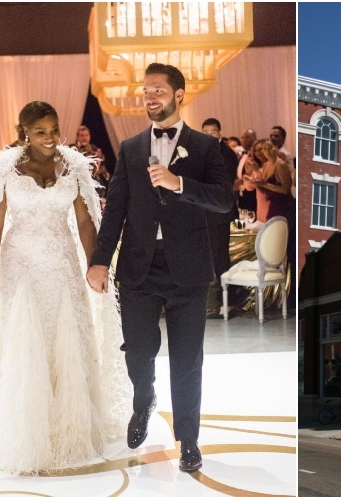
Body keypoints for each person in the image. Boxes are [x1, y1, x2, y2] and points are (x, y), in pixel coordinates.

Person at [0, 101, 131, 475]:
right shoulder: (6, 167)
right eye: (41, 132)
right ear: (25, 133)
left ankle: (68, 428)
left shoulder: (74, 165)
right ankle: (26, 433)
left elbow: (85, 222)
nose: (50, 138)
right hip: (20, 265)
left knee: (64, 341)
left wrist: (95, 264)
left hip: (63, 264)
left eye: (54, 129)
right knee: (26, 344)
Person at [86, 63, 233, 473]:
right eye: (145, 91)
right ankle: (143, 400)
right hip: (138, 268)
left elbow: (224, 200)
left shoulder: (205, 148)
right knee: (138, 352)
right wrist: (100, 260)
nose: (150, 97)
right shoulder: (131, 148)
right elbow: (115, 208)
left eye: (158, 91)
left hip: (188, 269)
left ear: (179, 94)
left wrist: (178, 183)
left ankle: (188, 439)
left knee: (187, 359)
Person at [201, 117, 239, 318]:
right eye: (205, 132)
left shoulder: (227, 154)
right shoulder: (199, 151)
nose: (209, 135)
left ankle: (227, 302)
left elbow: (224, 182)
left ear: (219, 133)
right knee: (208, 258)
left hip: (220, 212)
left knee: (220, 257)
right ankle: (213, 302)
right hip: (205, 212)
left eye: (212, 132)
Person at [250, 141, 293, 223]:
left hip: (284, 205)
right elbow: (264, 190)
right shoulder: (266, 165)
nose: (267, 151)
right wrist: (256, 185)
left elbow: (286, 189)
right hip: (272, 205)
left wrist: (265, 184)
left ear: (276, 148)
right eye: (265, 149)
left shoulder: (280, 164)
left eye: (270, 148)